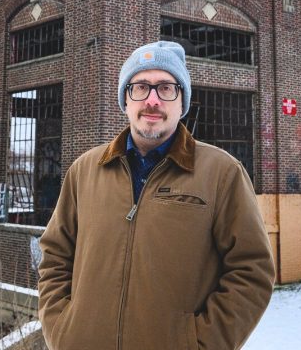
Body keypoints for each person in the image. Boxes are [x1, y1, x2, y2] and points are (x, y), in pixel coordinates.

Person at [38, 41, 275, 349]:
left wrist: (199, 343)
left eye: (166, 88)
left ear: (182, 101)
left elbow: (251, 270)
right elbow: (55, 256)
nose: (152, 100)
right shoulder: (85, 170)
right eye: (140, 87)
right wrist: (61, 329)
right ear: (125, 99)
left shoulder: (222, 173)